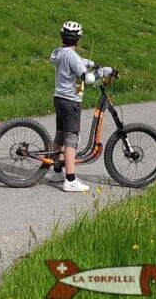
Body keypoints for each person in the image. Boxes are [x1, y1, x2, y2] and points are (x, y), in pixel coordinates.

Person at [48, 21, 112, 192]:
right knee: (71, 139)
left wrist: (92, 63)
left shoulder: (59, 52)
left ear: (62, 36)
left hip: (59, 98)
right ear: (79, 39)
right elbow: (87, 78)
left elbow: (75, 61)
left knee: (60, 135)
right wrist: (102, 72)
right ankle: (70, 179)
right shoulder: (73, 56)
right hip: (71, 101)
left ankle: (57, 171)